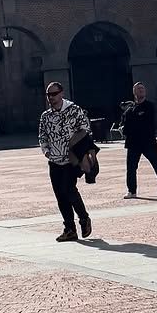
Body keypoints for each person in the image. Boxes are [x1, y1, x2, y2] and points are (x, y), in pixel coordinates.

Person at [38, 82, 93, 242]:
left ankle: (84, 218)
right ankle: (69, 228)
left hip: (71, 159)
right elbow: (42, 136)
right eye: (48, 95)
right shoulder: (46, 116)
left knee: (69, 190)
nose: (51, 98)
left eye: (54, 94)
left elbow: (86, 128)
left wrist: (72, 144)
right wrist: (46, 151)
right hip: (54, 161)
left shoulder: (74, 110)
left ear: (61, 93)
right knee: (60, 195)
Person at [121, 82, 157, 198]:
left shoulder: (150, 106)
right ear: (134, 92)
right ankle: (132, 191)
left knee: (156, 164)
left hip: (148, 142)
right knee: (131, 167)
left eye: (142, 88)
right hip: (133, 143)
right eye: (138, 89)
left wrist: (135, 126)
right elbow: (125, 127)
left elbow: (152, 123)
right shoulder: (129, 110)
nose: (141, 90)